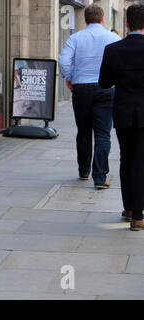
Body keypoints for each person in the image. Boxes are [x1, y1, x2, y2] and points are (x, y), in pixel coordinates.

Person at [58, 4, 121, 190]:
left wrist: (69, 77)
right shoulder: (113, 37)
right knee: (103, 134)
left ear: (85, 20)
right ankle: (100, 177)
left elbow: (63, 60)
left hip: (82, 88)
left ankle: (84, 170)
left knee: (84, 131)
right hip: (105, 88)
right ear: (103, 20)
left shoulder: (76, 37)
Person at [99, 4, 144, 231]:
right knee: (141, 161)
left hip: (124, 111)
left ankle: (128, 208)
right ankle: (139, 216)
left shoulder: (113, 49)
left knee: (127, 159)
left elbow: (104, 83)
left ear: (127, 23)